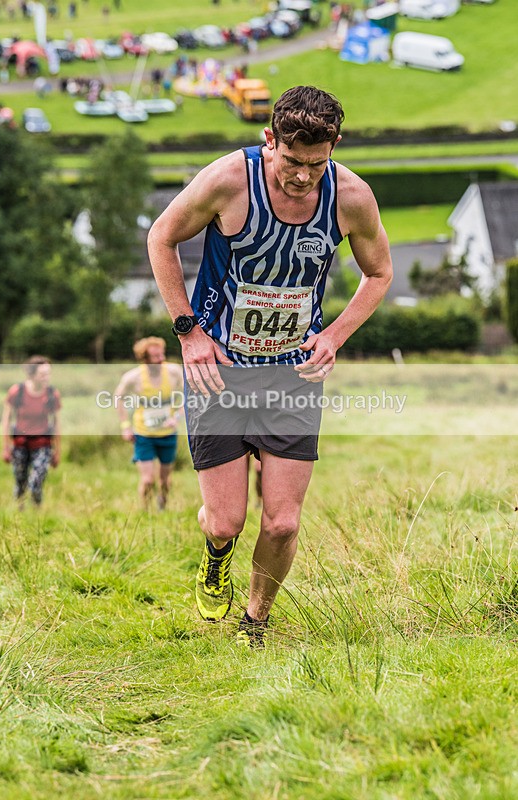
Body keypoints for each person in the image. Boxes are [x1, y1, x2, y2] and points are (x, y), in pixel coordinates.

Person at [147, 85, 393, 647]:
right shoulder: (229, 181)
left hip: (292, 373)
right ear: (269, 141)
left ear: (333, 147)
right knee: (226, 520)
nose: (302, 176)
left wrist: (333, 335)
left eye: (316, 163)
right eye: (291, 161)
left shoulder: (351, 197)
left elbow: (379, 274)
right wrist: (188, 333)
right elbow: (161, 237)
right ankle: (216, 559)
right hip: (219, 371)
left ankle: (255, 620)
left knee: (283, 521)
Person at [114, 337, 183, 510]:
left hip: (167, 433)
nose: (161, 359)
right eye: (155, 356)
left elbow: (188, 396)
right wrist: (125, 426)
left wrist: (177, 417)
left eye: (162, 355)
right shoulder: (133, 377)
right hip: (143, 433)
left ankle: (162, 506)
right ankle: (145, 511)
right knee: (147, 480)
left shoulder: (174, 372)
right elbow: (118, 398)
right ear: (144, 359)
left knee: (165, 481)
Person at [2, 356, 61, 508]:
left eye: (48, 373)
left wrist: (57, 451)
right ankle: (19, 512)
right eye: (42, 374)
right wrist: (6, 447)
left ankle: (37, 510)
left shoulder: (52, 395)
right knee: (20, 481)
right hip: (20, 442)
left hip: (42, 443)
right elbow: (6, 420)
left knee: (36, 481)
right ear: (31, 374)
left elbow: (56, 423)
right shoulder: (17, 391)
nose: (46, 377)